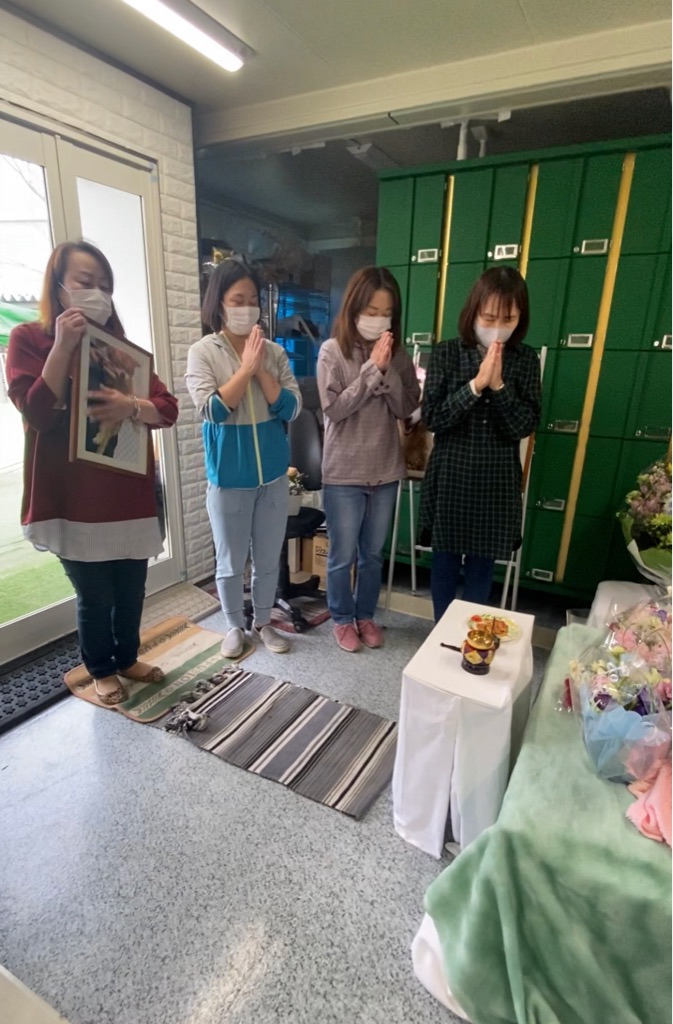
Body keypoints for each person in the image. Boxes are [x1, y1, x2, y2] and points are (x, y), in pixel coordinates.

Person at [6, 241, 178, 705]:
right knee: (95, 596)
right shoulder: (29, 339)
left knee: (132, 590)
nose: (98, 293)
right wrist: (63, 345)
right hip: (72, 499)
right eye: (86, 282)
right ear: (58, 286)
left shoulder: (123, 353)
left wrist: (131, 405)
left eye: (105, 285)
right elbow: (37, 412)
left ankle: (127, 659)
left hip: (127, 494)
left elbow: (167, 408)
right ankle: (101, 668)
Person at [186, 257, 302, 657]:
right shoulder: (203, 352)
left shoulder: (275, 353)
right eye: (238, 299)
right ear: (219, 303)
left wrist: (259, 369)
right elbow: (213, 410)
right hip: (228, 479)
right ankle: (234, 625)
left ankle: (264, 622)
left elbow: (291, 409)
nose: (247, 307)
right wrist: (244, 369)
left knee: (268, 559)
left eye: (253, 299)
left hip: (272, 478)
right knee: (231, 562)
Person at [420, 266, 541, 621]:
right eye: (489, 317)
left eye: (509, 318)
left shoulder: (525, 359)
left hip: (496, 481)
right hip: (451, 475)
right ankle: (441, 633)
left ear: (520, 317)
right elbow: (434, 418)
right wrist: (475, 386)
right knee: (443, 565)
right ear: (473, 311)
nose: (497, 326)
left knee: (481, 571)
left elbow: (523, 425)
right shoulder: (447, 353)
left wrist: (499, 386)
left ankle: (470, 636)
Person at [317, 266, 421, 653]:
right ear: (354, 308)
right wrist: (370, 371)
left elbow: (407, 408)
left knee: (373, 555)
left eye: (387, 313)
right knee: (342, 556)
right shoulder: (332, 352)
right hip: (344, 472)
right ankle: (342, 619)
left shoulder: (400, 356)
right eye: (371, 311)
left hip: (385, 470)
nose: (378, 319)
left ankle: (365, 616)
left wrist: (388, 371)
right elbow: (334, 409)